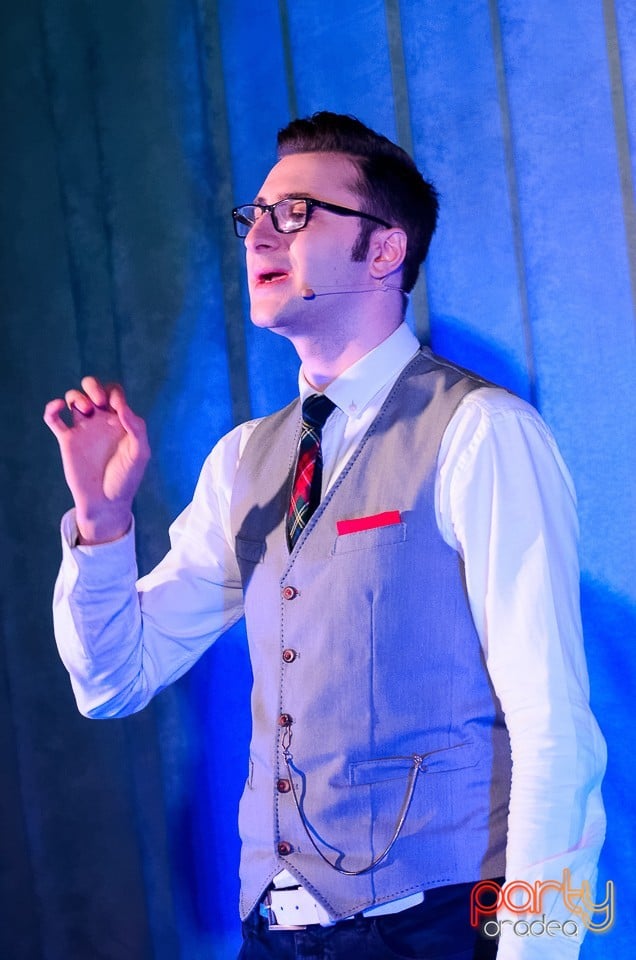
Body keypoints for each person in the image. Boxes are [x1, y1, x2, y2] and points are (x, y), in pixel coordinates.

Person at [45, 112, 606, 959]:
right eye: (254, 215)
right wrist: (100, 524)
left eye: (297, 213)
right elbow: (114, 680)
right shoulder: (245, 460)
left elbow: (554, 727)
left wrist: (540, 947)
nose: (259, 234)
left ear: (384, 250)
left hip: (436, 924)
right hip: (276, 931)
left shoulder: (481, 431)